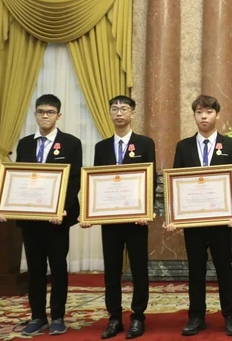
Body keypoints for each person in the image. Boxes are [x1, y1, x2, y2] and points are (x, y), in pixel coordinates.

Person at [0, 94, 82, 336]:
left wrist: (62, 209)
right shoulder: (24, 144)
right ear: (35, 114)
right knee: (35, 268)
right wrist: (6, 206)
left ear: (59, 115)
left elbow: (73, 180)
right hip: (31, 219)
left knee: (57, 267)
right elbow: (18, 179)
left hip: (57, 219)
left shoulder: (71, 143)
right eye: (41, 111)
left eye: (50, 112)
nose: (45, 115)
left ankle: (57, 316)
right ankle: (37, 316)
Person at [164, 95, 232, 337]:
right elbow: (176, 182)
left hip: (221, 220)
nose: (204, 116)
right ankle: (196, 316)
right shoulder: (183, 146)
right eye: (199, 112)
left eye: (209, 112)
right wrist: (174, 215)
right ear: (194, 115)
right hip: (193, 220)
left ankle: (230, 316)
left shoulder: (229, 145)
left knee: (224, 268)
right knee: (195, 269)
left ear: (217, 115)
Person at [86, 96, 155, 339]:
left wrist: (146, 211)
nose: (119, 113)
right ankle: (114, 317)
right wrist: (91, 212)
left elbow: (150, 178)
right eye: (114, 109)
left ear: (133, 113)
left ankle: (138, 317)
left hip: (137, 220)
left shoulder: (145, 143)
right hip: (111, 221)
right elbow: (96, 183)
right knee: (112, 270)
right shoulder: (101, 147)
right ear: (109, 113)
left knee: (139, 270)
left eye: (124, 108)